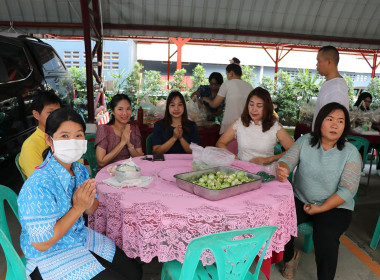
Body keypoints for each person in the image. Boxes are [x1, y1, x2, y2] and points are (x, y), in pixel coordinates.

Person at [17, 107, 143, 280]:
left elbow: (92, 209)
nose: (73, 141)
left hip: (78, 237)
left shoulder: (79, 169)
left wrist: (88, 202)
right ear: (49, 139)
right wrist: (78, 207)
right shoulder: (39, 185)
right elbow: (42, 243)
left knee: (134, 272)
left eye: (78, 135)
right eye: (64, 136)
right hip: (50, 255)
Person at [277, 102, 361, 280]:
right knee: (279, 221)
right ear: (320, 121)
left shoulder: (350, 152)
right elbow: (287, 159)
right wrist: (283, 168)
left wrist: (321, 208)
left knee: (325, 236)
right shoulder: (305, 141)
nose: (334, 125)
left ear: (345, 127)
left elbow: (348, 190)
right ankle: (291, 256)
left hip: (336, 206)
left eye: (340, 121)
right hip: (301, 198)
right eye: (329, 119)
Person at [216, 87, 293, 164]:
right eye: (251, 104)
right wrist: (235, 158)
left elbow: (293, 150)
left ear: (267, 107)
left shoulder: (275, 127)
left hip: (266, 172)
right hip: (243, 170)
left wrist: (269, 159)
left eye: (259, 106)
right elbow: (220, 143)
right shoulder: (239, 123)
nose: (254, 109)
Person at [19, 89, 62, 179]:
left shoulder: (62, 137)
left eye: (59, 112)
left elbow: (77, 166)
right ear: (36, 114)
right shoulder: (31, 146)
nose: (56, 116)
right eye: (50, 112)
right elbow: (40, 182)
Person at [202, 63, 253, 134]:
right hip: (245, 124)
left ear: (231, 73)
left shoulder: (227, 84)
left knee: (223, 144)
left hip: (230, 123)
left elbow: (214, 105)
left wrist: (207, 100)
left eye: (227, 74)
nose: (227, 77)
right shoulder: (249, 86)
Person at [95, 94, 143, 169]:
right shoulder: (104, 130)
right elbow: (101, 162)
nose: (125, 113)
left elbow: (140, 160)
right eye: (120, 109)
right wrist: (122, 142)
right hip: (107, 174)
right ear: (112, 111)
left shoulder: (134, 129)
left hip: (128, 172)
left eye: (128, 109)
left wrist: (129, 145)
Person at [312, 46, 349, 129]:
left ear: (329, 62)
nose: (317, 64)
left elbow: (333, 125)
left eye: (319, 61)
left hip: (328, 140)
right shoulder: (329, 83)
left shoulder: (336, 89)